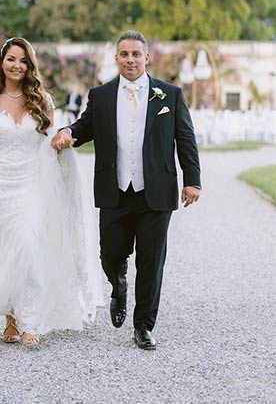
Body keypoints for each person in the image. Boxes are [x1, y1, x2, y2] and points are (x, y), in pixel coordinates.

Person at [51, 29, 201, 350]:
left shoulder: (169, 95)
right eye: (124, 54)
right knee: (110, 253)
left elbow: (185, 138)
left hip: (156, 192)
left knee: (151, 261)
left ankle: (143, 326)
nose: (130, 59)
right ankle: (118, 283)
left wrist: (192, 179)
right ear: (116, 58)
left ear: (147, 58)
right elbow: (85, 126)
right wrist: (67, 131)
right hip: (115, 190)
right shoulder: (101, 95)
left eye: (136, 54)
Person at [0, 37, 103, 347]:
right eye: (11, 59)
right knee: (5, 249)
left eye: (23, 61)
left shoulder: (43, 101)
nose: (17, 65)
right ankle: (10, 317)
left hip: (31, 183)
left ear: (30, 65)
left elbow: (50, 144)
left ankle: (31, 319)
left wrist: (63, 144)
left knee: (29, 246)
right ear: (2, 62)